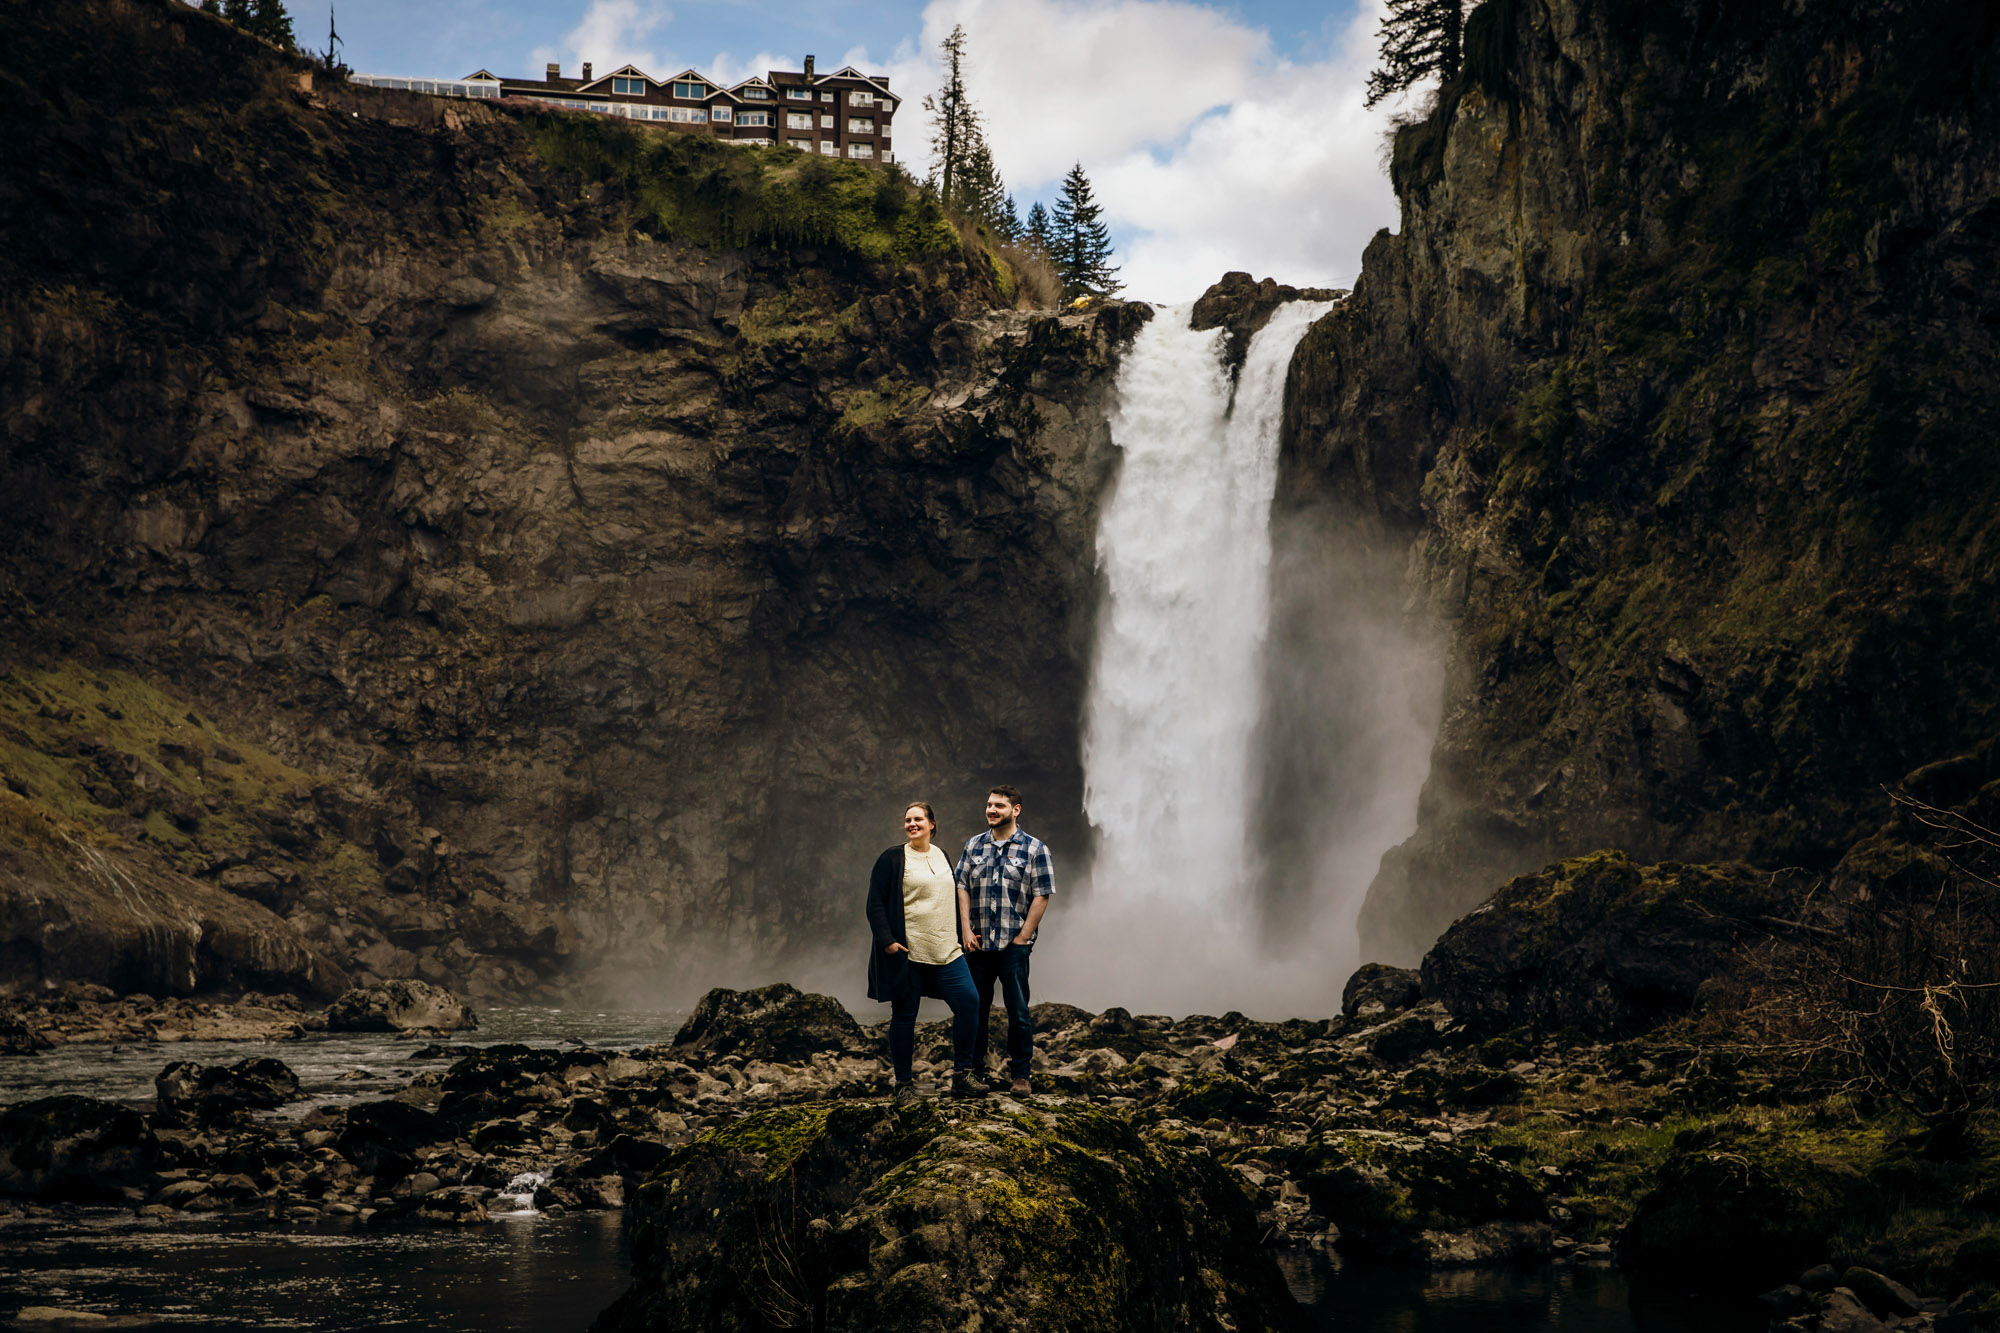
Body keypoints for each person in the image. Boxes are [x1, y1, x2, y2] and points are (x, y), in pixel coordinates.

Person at [865, 800, 984, 1104]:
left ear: (932, 824)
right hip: (910, 951)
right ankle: (904, 1083)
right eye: (907, 820)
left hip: (947, 950)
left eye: (918, 819)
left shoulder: (943, 855)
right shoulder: (892, 858)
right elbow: (875, 903)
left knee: (970, 1003)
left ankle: (962, 1075)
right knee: (905, 1016)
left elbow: (953, 897)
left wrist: (965, 932)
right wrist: (887, 940)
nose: (912, 824)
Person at [955, 785, 1054, 1096]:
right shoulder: (973, 846)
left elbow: (1042, 895)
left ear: (1016, 810)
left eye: (999, 805)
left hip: (1014, 947)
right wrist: (966, 931)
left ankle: (1021, 1076)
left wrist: (1023, 937)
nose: (991, 810)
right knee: (975, 1009)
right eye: (989, 805)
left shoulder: (1035, 849)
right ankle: (973, 1073)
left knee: (1018, 1012)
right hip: (979, 944)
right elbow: (961, 887)